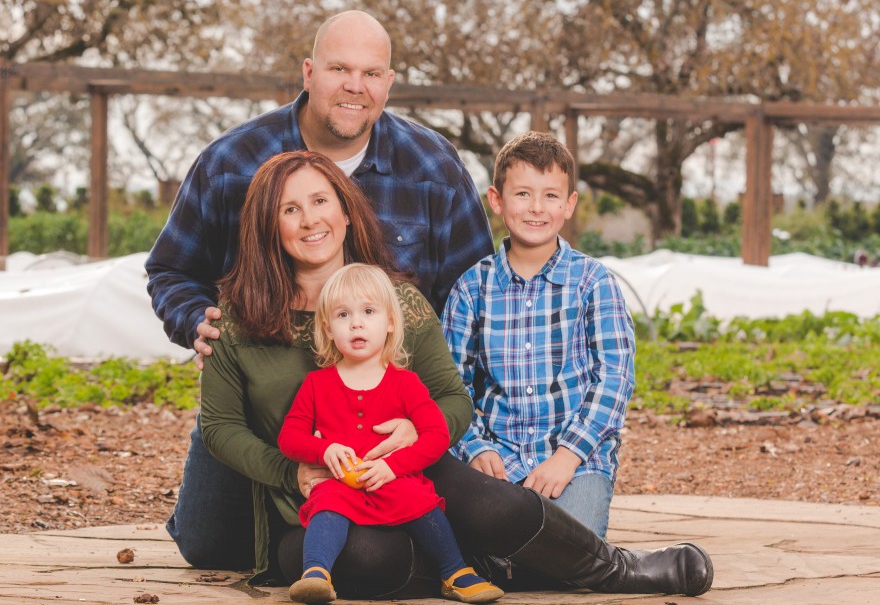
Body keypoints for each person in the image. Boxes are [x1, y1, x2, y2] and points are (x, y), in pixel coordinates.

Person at [199, 151, 713, 600]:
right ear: (270, 223)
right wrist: (293, 472)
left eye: (320, 201)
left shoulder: (400, 305)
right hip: (314, 504)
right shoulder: (238, 318)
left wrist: (415, 431)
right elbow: (220, 428)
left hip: (405, 471)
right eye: (291, 209)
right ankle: (477, 566)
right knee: (371, 559)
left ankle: (617, 569)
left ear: (346, 211)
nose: (310, 219)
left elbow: (452, 396)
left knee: (498, 507)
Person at [145, 10, 493, 570]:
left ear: (389, 83)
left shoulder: (433, 167)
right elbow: (170, 270)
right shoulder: (231, 162)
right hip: (267, 399)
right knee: (209, 545)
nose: (356, 86)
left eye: (372, 73)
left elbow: (473, 293)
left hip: (384, 405)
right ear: (308, 72)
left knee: (406, 532)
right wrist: (196, 319)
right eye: (339, 69)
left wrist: (443, 418)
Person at [442, 131, 635, 539]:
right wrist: (476, 447)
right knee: (480, 530)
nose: (536, 208)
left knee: (570, 545)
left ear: (569, 204)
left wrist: (567, 456)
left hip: (576, 458)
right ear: (496, 200)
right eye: (523, 194)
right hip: (499, 458)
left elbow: (614, 380)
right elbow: (450, 385)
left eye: (550, 196)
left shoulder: (593, 282)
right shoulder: (471, 288)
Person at [278, 263, 503, 604]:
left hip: (393, 478)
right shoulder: (316, 384)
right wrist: (323, 451)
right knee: (326, 505)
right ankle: (316, 574)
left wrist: (394, 467)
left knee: (423, 503)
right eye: (342, 314)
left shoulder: (405, 383)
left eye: (368, 311)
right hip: (341, 483)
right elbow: (290, 437)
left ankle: (455, 572)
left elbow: (436, 436)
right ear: (327, 327)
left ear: (390, 322)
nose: (356, 322)